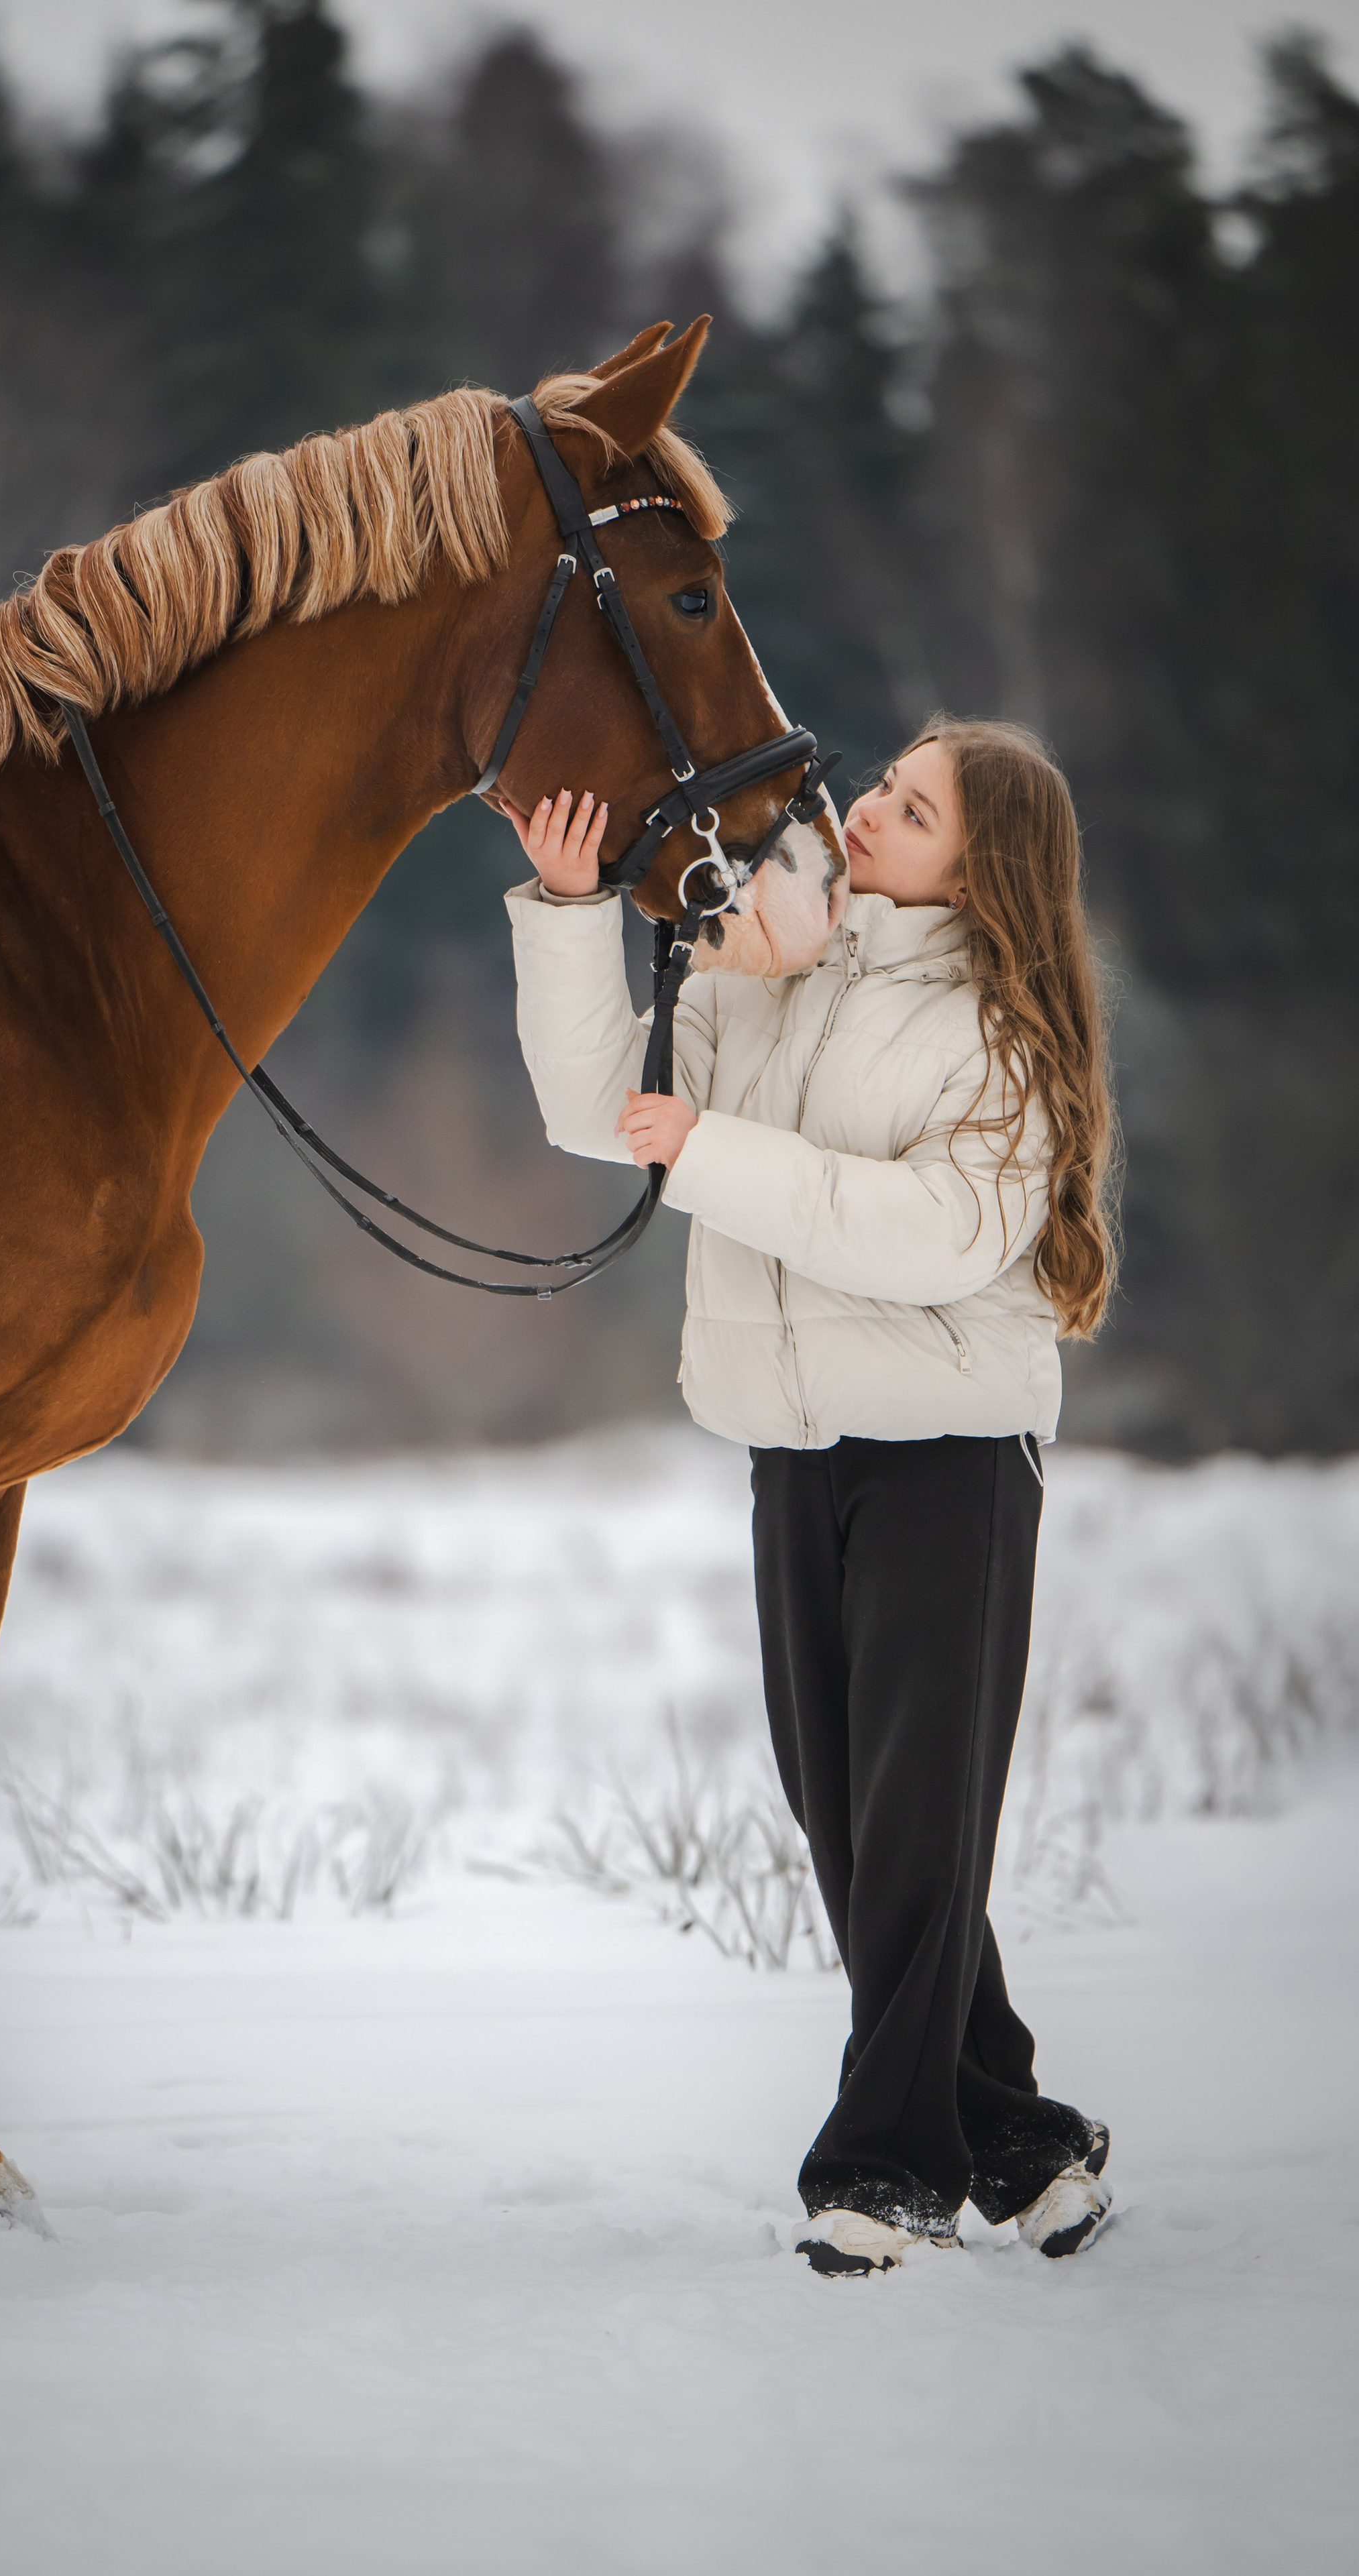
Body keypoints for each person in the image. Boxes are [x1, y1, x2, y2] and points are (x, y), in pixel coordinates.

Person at [501, 720, 1117, 2278]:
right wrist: (574, 917)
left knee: (911, 1829)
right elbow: (603, 1115)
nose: (866, 817)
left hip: (948, 1463)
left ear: (979, 872)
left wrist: (709, 1151)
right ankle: (1020, 2137)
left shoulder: (1003, 1032)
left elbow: (917, 1233)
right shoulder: (776, 959)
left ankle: (886, 2171)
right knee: (849, 1820)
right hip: (797, 1449)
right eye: (885, 788)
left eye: (912, 812)